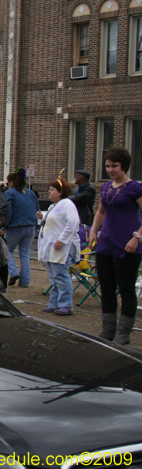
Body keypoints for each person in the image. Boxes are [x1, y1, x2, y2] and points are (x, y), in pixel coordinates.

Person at [88, 146, 142, 345]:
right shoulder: (106, 187)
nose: (110, 170)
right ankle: (108, 328)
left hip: (128, 247)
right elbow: (101, 211)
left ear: (124, 166)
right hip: (106, 245)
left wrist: (136, 237)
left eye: (114, 166)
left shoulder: (135, 187)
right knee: (107, 289)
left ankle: (124, 332)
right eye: (108, 166)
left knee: (127, 290)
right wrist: (94, 231)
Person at [38, 177, 80, 316]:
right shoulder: (53, 206)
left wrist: (62, 239)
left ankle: (66, 305)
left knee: (61, 275)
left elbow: (73, 223)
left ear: (60, 192)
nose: (49, 192)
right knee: (54, 276)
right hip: (51, 245)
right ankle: (54, 303)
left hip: (62, 246)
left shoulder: (67, 204)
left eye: (52, 190)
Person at [2, 169, 40, 287]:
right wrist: (37, 226)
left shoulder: (10, 193)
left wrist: (4, 226)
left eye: (8, 183)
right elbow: (36, 209)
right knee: (24, 254)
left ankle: (13, 272)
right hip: (30, 226)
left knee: (8, 250)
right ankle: (25, 281)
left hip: (15, 226)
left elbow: (8, 211)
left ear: (12, 182)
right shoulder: (30, 193)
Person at [70, 169, 97, 244]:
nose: (75, 178)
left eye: (77, 176)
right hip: (74, 217)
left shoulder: (90, 189)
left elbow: (77, 199)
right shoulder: (75, 189)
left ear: (82, 178)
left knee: (83, 242)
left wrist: (65, 199)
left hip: (84, 219)